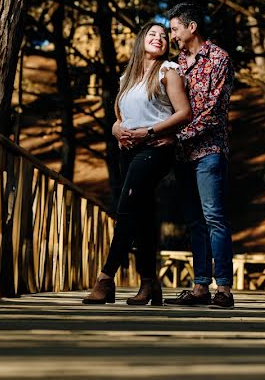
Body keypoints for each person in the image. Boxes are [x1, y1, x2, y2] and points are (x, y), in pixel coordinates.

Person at [82, 22, 191, 305]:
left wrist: (151, 132)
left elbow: (184, 113)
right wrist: (118, 131)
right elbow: (119, 118)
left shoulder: (169, 71)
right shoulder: (127, 78)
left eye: (164, 36)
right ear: (141, 40)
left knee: (127, 208)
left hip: (155, 149)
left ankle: (105, 279)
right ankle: (149, 283)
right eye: (152, 34)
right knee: (142, 213)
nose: (159, 39)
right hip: (128, 151)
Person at [163, 3, 236, 308]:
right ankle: (200, 287)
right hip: (182, 155)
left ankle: (225, 290)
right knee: (194, 221)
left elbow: (213, 114)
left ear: (191, 27)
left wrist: (173, 136)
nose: (172, 35)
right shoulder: (175, 64)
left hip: (208, 151)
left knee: (214, 217)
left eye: (175, 28)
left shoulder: (219, 59)